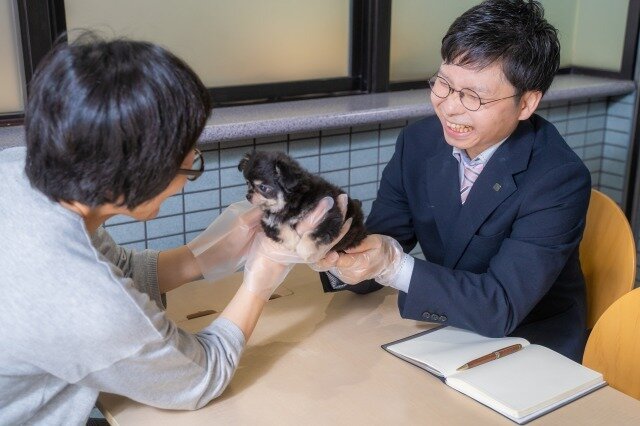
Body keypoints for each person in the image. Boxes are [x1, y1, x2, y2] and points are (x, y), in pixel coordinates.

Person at [0, 37, 346, 425]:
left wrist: (211, 254)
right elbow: (199, 378)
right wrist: (261, 278)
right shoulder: (82, 299)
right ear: (129, 178)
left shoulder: (20, 169)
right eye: (188, 162)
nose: (188, 173)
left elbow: (113, 269)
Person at [317, 0, 591, 362]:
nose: (448, 107)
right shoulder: (418, 143)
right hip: (446, 330)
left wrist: (394, 267)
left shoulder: (558, 178)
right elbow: (378, 247)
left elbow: (502, 303)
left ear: (526, 103)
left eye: (473, 96)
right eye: (443, 84)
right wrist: (326, 243)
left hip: (531, 341)